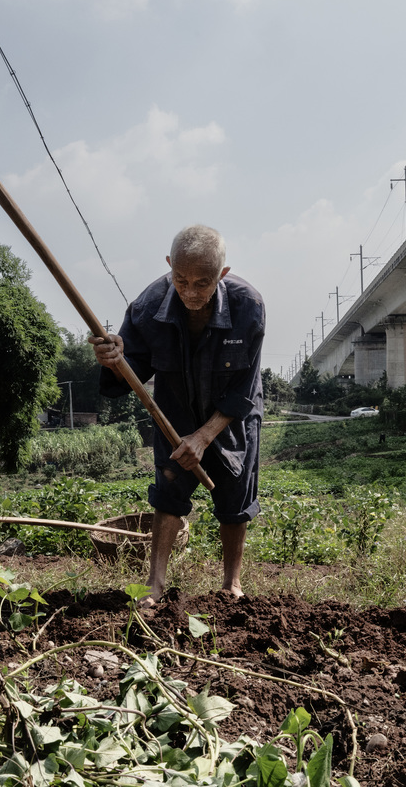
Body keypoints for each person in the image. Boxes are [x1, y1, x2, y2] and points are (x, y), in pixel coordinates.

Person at [90, 224, 265, 605]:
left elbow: (245, 389)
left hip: (231, 417)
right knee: (168, 493)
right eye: (180, 279)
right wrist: (112, 361)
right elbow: (125, 377)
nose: (189, 292)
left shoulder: (248, 306)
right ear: (169, 266)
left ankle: (231, 583)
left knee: (235, 496)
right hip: (175, 416)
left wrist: (204, 437)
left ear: (222, 274)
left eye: (202, 283)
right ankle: (154, 583)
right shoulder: (147, 307)